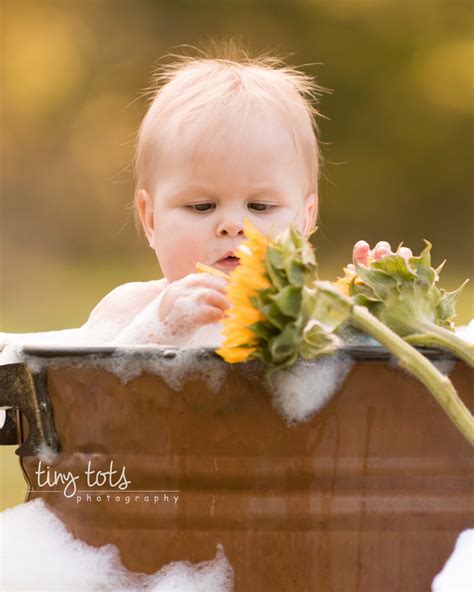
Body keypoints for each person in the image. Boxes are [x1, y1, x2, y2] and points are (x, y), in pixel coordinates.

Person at [81, 46, 413, 347]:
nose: (232, 225)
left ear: (306, 218)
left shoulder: (316, 316)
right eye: (202, 206)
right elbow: (92, 394)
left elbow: (374, 385)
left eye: (260, 206)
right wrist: (160, 329)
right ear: (151, 219)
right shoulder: (132, 308)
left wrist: (379, 306)